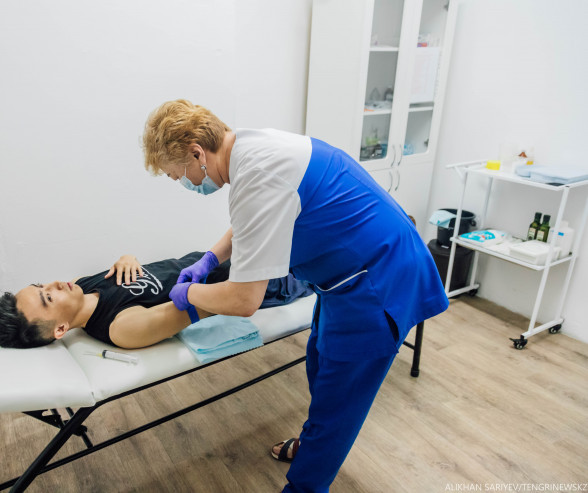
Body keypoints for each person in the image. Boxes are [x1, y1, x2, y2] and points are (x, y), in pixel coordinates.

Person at [141, 99, 449, 492]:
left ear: (197, 153)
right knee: (319, 362)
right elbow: (255, 219)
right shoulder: (248, 148)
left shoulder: (257, 175)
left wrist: (190, 292)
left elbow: (243, 301)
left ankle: (307, 477)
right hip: (347, 276)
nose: (183, 183)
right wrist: (211, 258)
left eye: (177, 175)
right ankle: (313, 443)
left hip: (378, 282)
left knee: (340, 401)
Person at [0, 252, 313, 350]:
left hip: (223, 259)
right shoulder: (120, 327)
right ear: (60, 329)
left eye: (41, 285)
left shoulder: (83, 286)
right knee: (322, 267)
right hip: (257, 284)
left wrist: (128, 258)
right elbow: (203, 306)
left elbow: (141, 277)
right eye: (48, 296)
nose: (55, 284)